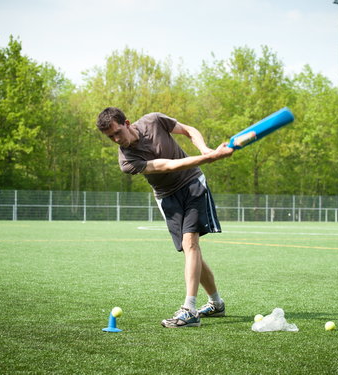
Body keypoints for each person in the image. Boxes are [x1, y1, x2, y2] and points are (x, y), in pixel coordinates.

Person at [96, 107, 234, 328]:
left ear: (127, 123)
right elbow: (166, 165)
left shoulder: (153, 121)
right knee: (189, 250)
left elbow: (188, 130)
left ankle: (189, 310)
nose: (115, 139)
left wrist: (205, 149)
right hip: (167, 197)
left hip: (191, 183)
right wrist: (210, 158)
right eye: (110, 137)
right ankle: (216, 304)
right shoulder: (127, 161)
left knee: (191, 243)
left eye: (117, 132)